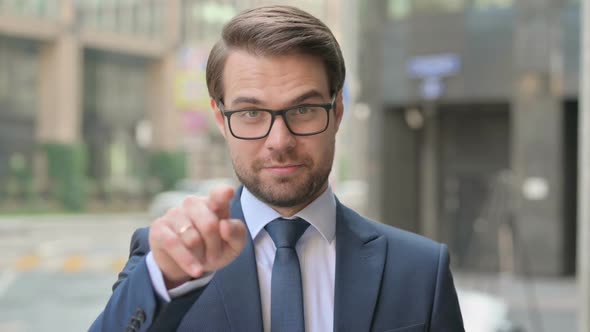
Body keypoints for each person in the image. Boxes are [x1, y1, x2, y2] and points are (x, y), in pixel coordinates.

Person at [90, 5, 464, 332]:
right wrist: (166, 279)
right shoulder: (174, 264)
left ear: (337, 113)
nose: (279, 141)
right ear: (221, 119)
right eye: (251, 113)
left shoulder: (421, 271)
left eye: (303, 110)